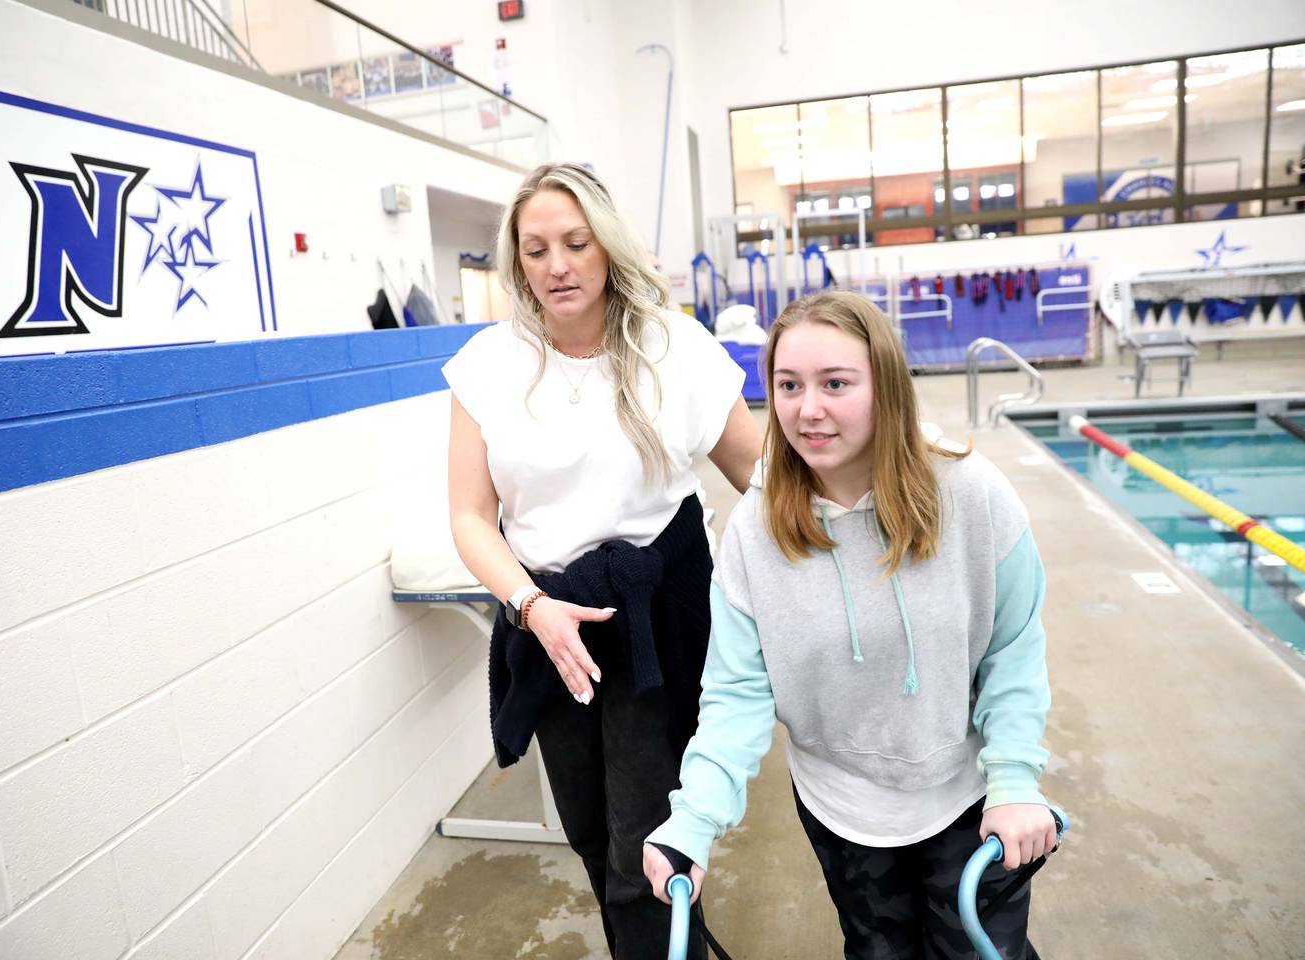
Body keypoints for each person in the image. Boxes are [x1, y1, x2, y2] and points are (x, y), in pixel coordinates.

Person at [643, 290, 1057, 960]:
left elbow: (1012, 650)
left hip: (967, 796)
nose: (809, 409)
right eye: (788, 385)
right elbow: (737, 695)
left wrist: (1013, 779)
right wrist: (693, 820)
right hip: (842, 810)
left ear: (884, 386)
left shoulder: (971, 494)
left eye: (836, 383)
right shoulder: (755, 530)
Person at [444, 162, 761, 958]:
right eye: (537, 248)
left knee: (644, 847)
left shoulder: (673, 347)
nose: (557, 265)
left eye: (575, 243)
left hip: (655, 619)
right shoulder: (488, 364)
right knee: (591, 834)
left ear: (607, 246)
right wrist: (531, 607)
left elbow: (761, 475)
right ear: (517, 261)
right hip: (550, 622)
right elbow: (470, 517)